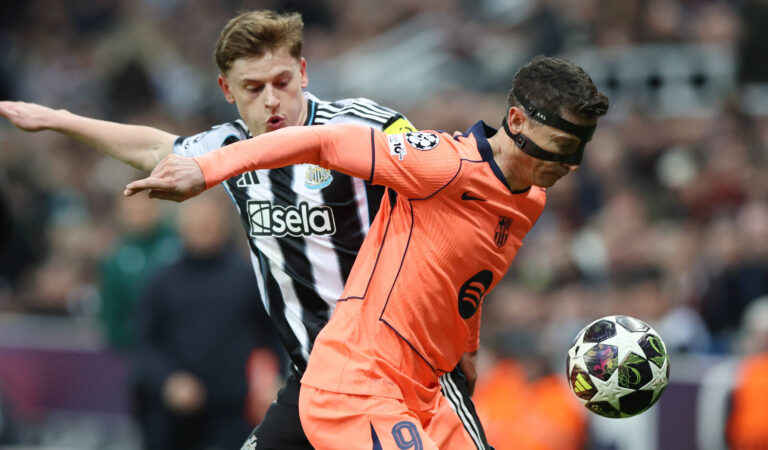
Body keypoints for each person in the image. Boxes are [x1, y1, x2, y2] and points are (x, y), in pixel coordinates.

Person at [0, 10, 490, 449]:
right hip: (314, 380)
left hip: (401, 371)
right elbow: (155, 150)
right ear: (226, 90)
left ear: (303, 72)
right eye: (254, 89)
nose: (272, 101)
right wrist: (60, 120)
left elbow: (453, 211)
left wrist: (464, 335)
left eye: (282, 81)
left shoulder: (366, 128)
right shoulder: (229, 148)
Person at [123, 55, 610, 448]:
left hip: (426, 386)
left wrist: (468, 347)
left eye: (579, 149)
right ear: (517, 120)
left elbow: (468, 280)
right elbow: (321, 140)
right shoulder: (442, 163)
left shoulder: (532, 197)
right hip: (359, 380)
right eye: (560, 146)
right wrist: (208, 169)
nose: (569, 164)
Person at [131, 191, 280, 450]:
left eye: (209, 222)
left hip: (232, 412)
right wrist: (168, 380)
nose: (203, 229)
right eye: (196, 223)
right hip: (173, 413)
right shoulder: (161, 280)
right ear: (182, 227)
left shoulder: (247, 277)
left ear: (223, 224)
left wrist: (275, 378)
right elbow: (145, 345)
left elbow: (274, 335)